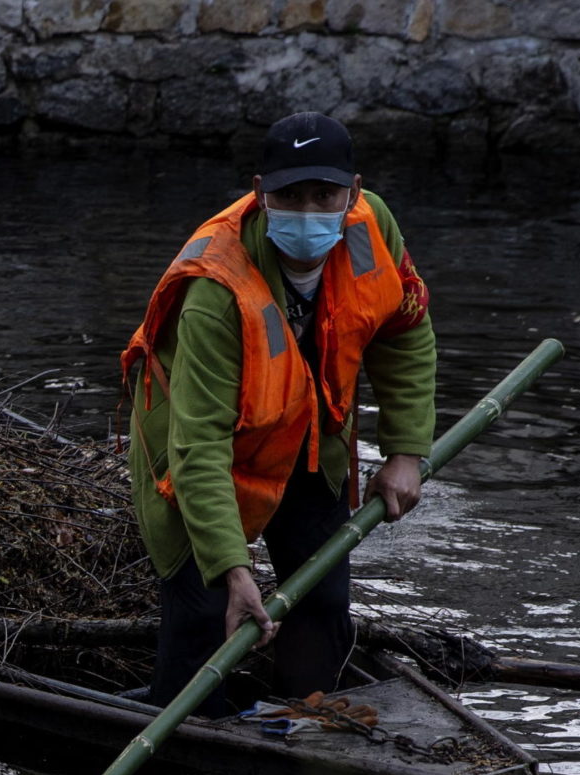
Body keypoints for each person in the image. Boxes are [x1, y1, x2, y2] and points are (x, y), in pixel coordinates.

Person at [120, 110, 436, 710]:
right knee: (204, 613)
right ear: (261, 193)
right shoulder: (216, 288)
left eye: (326, 195)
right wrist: (234, 571)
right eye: (291, 195)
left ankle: (306, 725)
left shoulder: (376, 229)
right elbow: (199, 447)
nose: (310, 211)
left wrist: (405, 452)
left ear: (355, 193)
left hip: (311, 436)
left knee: (321, 598)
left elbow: (406, 333)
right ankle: (187, 735)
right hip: (197, 452)